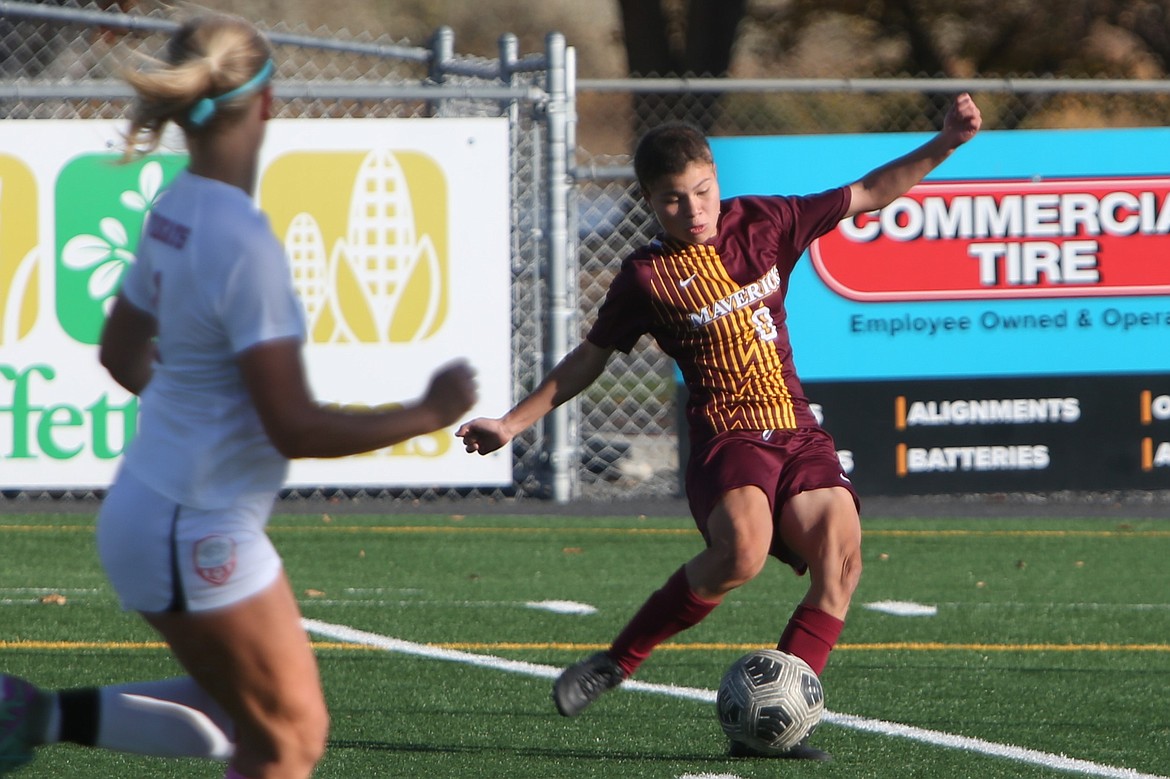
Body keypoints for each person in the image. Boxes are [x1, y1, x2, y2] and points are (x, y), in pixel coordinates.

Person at [0, 14, 477, 779]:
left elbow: (120, 353)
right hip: (195, 525)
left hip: (157, 507)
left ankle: (33, 714)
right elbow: (290, 424)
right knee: (289, 741)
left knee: (243, 718)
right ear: (269, 103)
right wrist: (429, 412)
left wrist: (193, 419)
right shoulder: (243, 242)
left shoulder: (179, 207)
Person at [457, 93, 982, 759]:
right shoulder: (648, 276)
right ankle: (618, 659)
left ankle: (778, 720)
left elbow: (872, 191)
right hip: (728, 441)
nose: (694, 209)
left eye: (703, 190)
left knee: (842, 558)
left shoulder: (766, 222)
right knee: (742, 551)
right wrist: (511, 421)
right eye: (674, 199)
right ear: (650, 201)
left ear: (717, 178)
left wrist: (948, 142)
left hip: (796, 430)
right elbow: (589, 358)